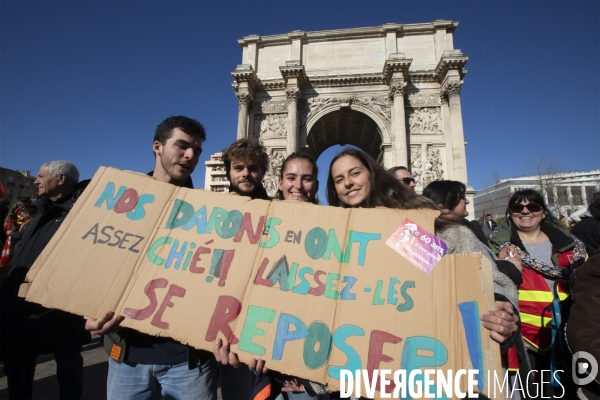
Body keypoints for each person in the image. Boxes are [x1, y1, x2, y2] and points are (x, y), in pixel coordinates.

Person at [327, 150, 519, 346]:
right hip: (356, 349)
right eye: (339, 179)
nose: (348, 182)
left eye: (355, 173)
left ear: (372, 174)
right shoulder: (332, 239)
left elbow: (463, 273)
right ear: (335, 190)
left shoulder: (405, 232)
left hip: (423, 348)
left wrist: (496, 305)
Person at [86, 116, 218, 400]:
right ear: (157, 146)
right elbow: (94, 264)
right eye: (182, 146)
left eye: (196, 150)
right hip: (127, 355)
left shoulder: (212, 214)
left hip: (188, 361)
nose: (190, 156)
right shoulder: (120, 200)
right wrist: (88, 306)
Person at [0, 160, 91, 399]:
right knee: (18, 380)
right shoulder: (39, 211)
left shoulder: (83, 214)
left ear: (61, 179)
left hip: (60, 314)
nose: (35, 180)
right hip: (21, 313)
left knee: (69, 376)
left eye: (41, 176)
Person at [489, 189, 587, 397]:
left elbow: (587, 288)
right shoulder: (500, 250)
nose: (525, 212)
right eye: (518, 208)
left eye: (532, 207)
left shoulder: (574, 247)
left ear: (543, 212)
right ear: (510, 213)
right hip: (525, 340)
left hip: (570, 335)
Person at [215, 138, 271, 400]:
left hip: (268, 324)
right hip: (225, 324)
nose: (246, 173)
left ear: (262, 171)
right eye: (238, 167)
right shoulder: (213, 212)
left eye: (253, 167)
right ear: (228, 171)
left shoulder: (278, 210)